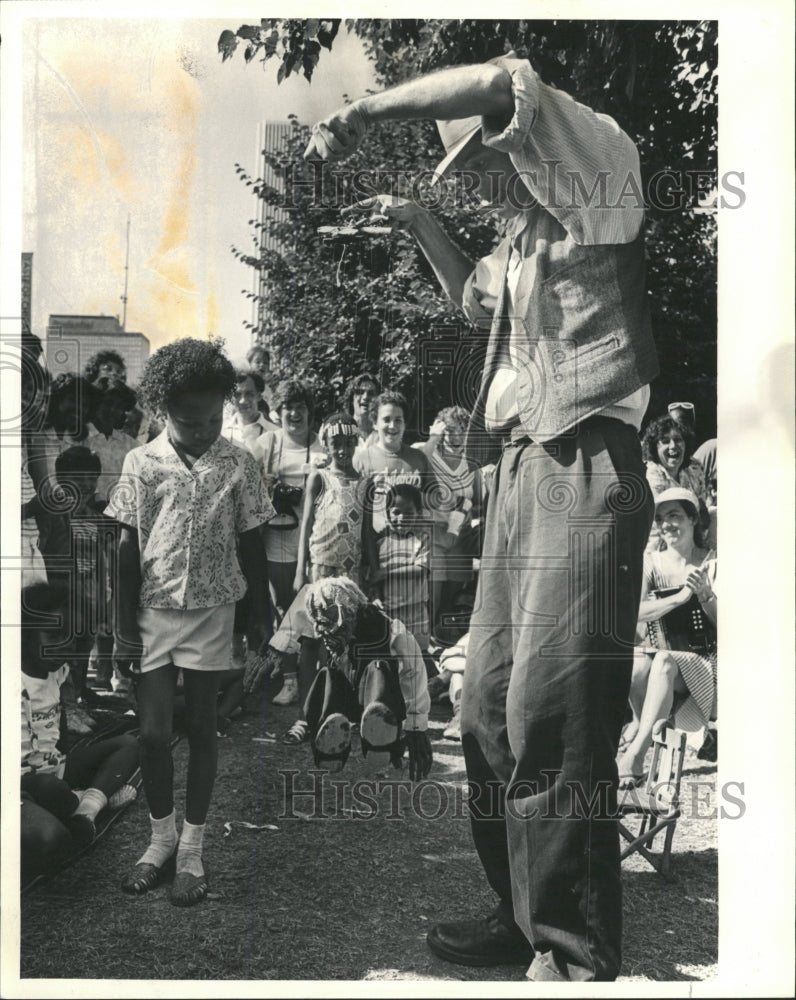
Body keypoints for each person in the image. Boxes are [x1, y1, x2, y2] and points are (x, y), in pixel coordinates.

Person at [306, 52, 657, 982]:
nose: (484, 178)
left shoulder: (602, 167)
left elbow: (508, 81)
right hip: (516, 470)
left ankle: (576, 954)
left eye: (480, 161)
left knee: (556, 714)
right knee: (485, 713)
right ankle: (523, 913)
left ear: (524, 140)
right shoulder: (521, 238)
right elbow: (472, 302)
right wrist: (424, 222)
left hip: (587, 462)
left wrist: (369, 111)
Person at [105, 337, 274, 907]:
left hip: (212, 612)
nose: (201, 430)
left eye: (210, 419)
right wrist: (122, 627)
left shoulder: (240, 463)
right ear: (160, 411)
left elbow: (252, 540)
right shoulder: (140, 462)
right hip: (152, 613)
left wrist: (260, 610)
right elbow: (126, 549)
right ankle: (159, 841)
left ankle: (193, 851)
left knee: (202, 727)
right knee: (153, 734)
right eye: (187, 422)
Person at [21, 581, 139, 885]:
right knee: (52, 839)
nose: (63, 647)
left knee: (129, 744)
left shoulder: (57, 672)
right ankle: (71, 803)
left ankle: (87, 808)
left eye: (70, 640)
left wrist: (62, 763)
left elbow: (58, 730)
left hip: (52, 771)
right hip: (17, 786)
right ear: (25, 634)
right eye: (53, 636)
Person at [617, 488, 716, 787]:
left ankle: (635, 755)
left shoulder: (712, 562)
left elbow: (732, 628)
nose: (666, 524)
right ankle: (640, 720)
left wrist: (705, 596)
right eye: (660, 519)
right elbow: (633, 612)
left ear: (693, 518)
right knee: (635, 661)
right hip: (663, 657)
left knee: (662, 662)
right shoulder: (651, 562)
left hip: (707, 662)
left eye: (674, 515)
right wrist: (679, 599)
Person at [301, 577, 433, 776]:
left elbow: (414, 671)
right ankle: (329, 741)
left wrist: (416, 725)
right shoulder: (333, 636)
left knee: (378, 668)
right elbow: (289, 635)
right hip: (348, 698)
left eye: (335, 628)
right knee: (326, 675)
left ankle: (381, 736)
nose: (327, 636)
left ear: (351, 615)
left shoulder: (389, 630)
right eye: (322, 629)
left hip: (381, 696)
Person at [252, 378, 325, 706]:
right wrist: (273, 494)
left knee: (306, 610)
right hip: (275, 535)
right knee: (282, 607)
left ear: (310, 411)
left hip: (312, 538)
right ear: (277, 411)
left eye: (300, 407)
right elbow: (247, 493)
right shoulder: (266, 445)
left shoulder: (322, 447)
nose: (294, 413)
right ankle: (288, 677)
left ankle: (311, 676)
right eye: (287, 408)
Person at [353, 390, 441, 591]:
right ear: (375, 423)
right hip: (374, 551)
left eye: (398, 420)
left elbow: (436, 499)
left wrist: (412, 495)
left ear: (405, 424)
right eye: (386, 419)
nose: (392, 426)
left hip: (410, 552)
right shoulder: (362, 459)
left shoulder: (417, 458)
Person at [413, 406, 483, 638]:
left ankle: (440, 641)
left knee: (450, 597)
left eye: (461, 430)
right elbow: (415, 465)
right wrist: (433, 437)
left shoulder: (471, 465)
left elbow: (471, 501)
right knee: (432, 593)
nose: (455, 436)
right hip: (430, 534)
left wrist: (455, 529)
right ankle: (425, 641)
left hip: (458, 536)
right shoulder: (427, 455)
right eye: (450, 430)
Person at [374, 483, 432, 653]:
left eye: (409, 513)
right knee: (393, 652)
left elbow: (421, 568)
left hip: (416, 609)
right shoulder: (380, 544)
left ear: (418, 514)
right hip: (390, 612)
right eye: (396, 512)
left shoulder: (422, 539)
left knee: (418, 652)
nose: (402, 518)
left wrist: (387, 573)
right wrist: (376, 597)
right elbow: (374, 577)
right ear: (387, 514)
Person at [642, 413, 706, 500]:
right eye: (665, 441)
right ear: (655, 447)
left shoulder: (694, 468)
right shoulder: (651, 473)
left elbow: (702, 507)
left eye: (678, 440)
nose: (673, 446)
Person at [221, 369, 280, 452]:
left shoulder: (276, 434)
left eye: (249, 394)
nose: (243, 401)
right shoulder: (221, 431)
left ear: (259, 396)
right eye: (237, 395)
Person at [345, 372, 381, 453]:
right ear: (351, 398)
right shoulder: (342, 432)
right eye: (360, 392)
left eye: (371, 393)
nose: (365, 397)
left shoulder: (383, 435)